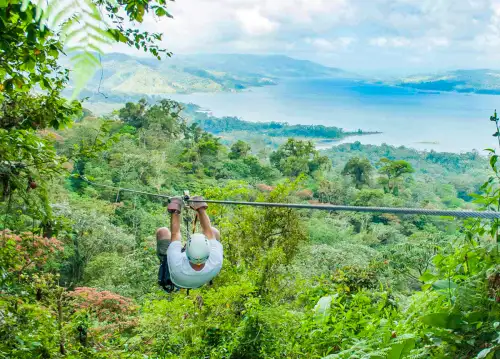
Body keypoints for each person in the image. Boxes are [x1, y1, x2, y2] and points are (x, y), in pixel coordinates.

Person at [156, 196, 223, 289]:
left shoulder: (176, 263)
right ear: (209, 252)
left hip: (176, 280)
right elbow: (209, 232)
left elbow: (175, 234)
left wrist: (175, 209)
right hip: (200, 278)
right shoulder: (216, 260)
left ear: (185, 251)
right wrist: (201, 209)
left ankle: (164, 263)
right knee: (214, 232)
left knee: (162, 232)